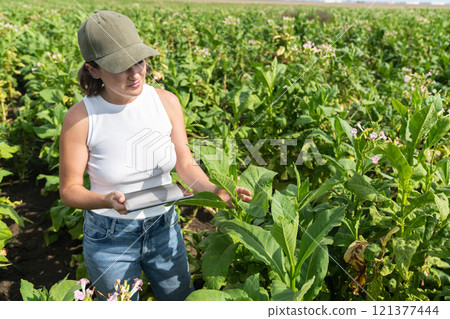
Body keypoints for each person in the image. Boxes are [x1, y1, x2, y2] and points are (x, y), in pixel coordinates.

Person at [59, 10, 252, 301]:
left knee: (178, 300)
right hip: (109, 235)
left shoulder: (166, 102)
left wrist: (215, 191)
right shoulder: (81, 118)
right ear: (94, 69)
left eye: (139, 61)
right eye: (120, 66)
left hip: (165, 227)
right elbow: (69, 190)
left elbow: (185, 164)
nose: (135, 73)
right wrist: (106, 200)